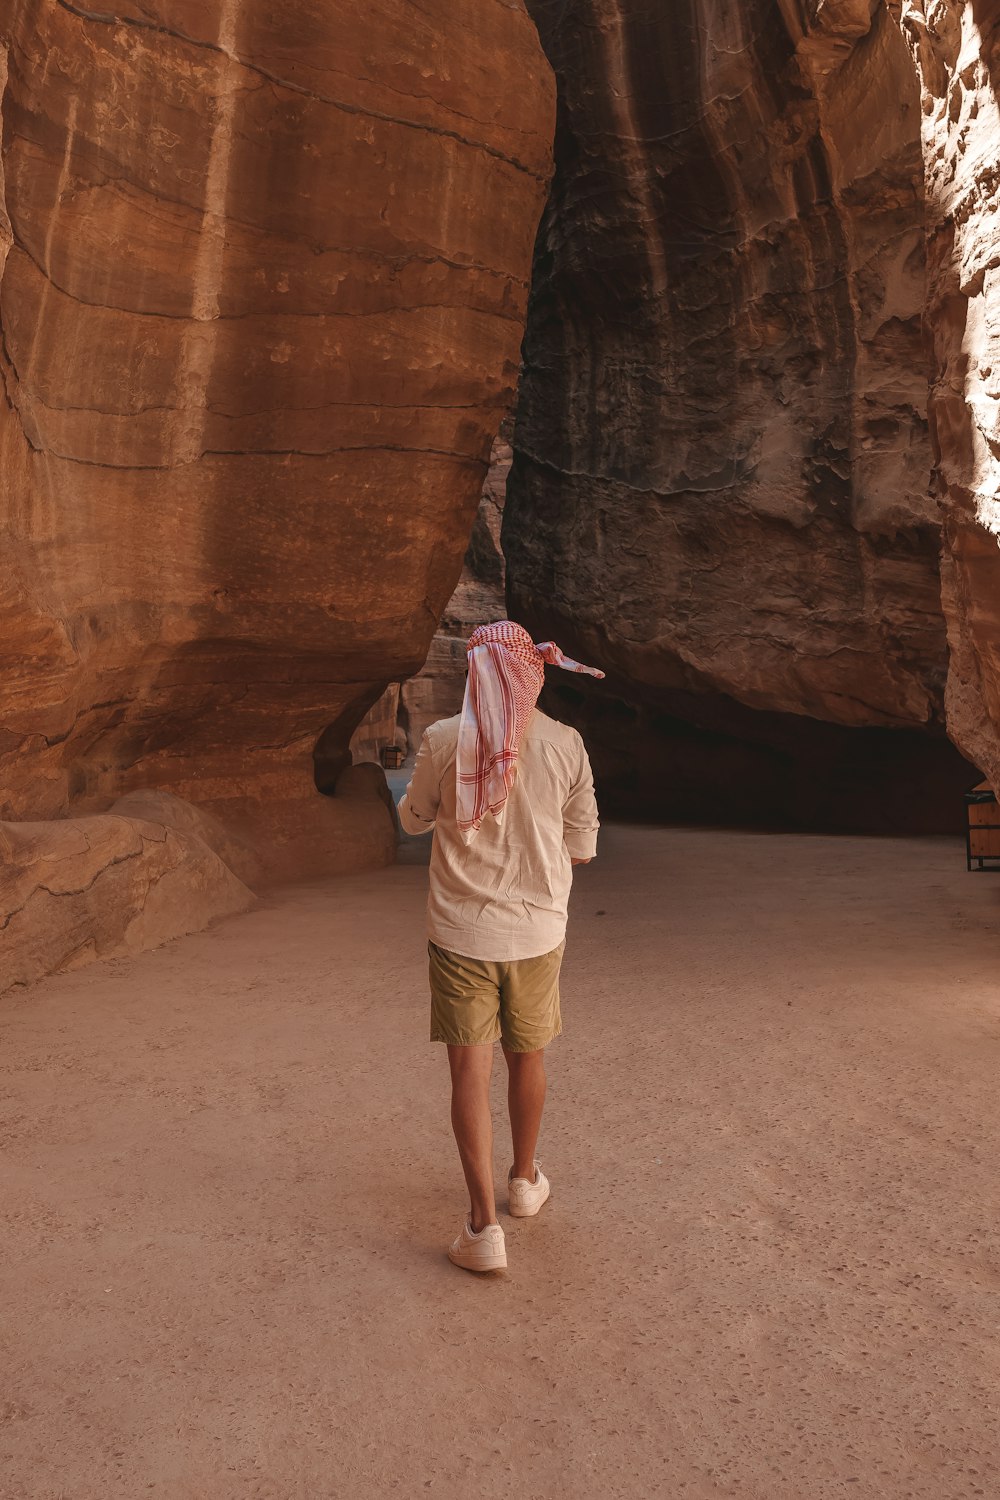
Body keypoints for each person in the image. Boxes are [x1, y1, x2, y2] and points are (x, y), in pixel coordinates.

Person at [397, 619, 603, 1273]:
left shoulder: (442, 739)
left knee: (468, 1073)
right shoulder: (566, 744)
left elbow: (413, 817)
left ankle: (483, 1229)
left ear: (475, 674)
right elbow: (583, 847)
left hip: (460, 931)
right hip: (538, 932)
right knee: (528, 1058)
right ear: (534, 675)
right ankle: (523, 1180)